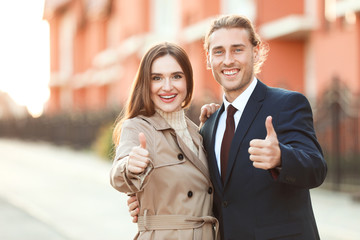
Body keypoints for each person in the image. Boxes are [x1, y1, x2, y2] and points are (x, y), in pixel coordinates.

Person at [128, 15, 327, 240]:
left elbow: (316, 169)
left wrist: (282, 157)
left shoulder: (287, 104)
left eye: (237, 49)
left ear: (256, 52)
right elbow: (206, 191)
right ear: (208, 58)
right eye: (219, 51)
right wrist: (153, 200)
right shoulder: (209, 126)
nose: (228, 60)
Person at [109, 42, 219, 240]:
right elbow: (118, 176)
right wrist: (129, 165)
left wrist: (212, 126)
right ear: (146, 83)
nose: (167, 87)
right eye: (157, 78)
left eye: (176, 76)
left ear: (188, 81)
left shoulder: (195, 131)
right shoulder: (139, 126)